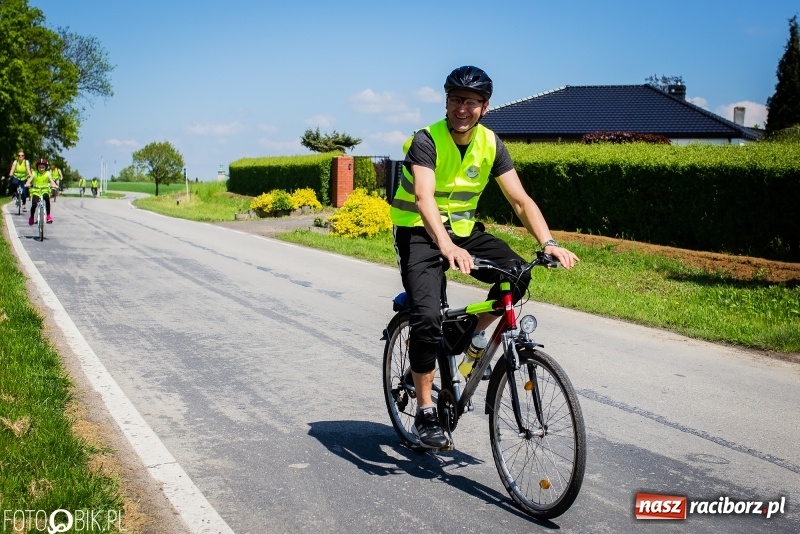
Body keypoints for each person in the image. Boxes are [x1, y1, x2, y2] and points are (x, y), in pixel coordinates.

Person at [390, 66, 580, 449]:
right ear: (446, 102)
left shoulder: (491, 144)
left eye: (471, 102)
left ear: (484, 107)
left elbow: (520, 200)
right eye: (457, 100)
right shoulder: (426, 140)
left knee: (517, 276)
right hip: (418, 231)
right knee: (426, 317)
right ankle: (426, 410)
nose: (463, 108)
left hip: (462, 231)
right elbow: (425, 199)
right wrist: (445, 246)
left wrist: (547, 243)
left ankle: (463, 339)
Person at [25, 158, 58, 225]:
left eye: (43, 167)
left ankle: (48, 216)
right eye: (40, 167)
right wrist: (27, 183)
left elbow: (51, 181)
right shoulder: (34, 173)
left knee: (47, 200)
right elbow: (29, 180)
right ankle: (31, 217)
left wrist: (54, 185)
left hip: (45, 190)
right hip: (36, 191)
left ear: (45, 167)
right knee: (34, 204)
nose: (41, 169)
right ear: (37, 167)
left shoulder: (47, 173)